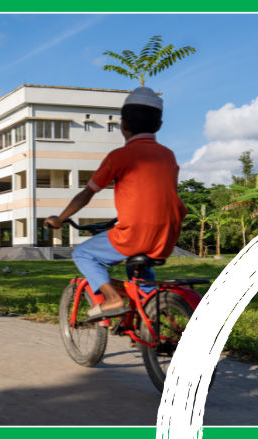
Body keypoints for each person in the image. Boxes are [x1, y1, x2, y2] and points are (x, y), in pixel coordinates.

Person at [44, 87, 187, 320]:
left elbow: (86, 193)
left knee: (83, 254)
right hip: (166, 236)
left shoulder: (119, 156)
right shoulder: (168, 155)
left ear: (123, 125)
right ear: (159, 125)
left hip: (134, 235)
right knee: (140, 273)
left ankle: (112, 298)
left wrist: (60, 219)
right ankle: (150, 317)